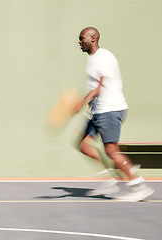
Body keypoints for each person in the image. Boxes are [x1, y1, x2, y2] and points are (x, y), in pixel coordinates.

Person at [75, 27, 154, 202]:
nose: (79, 42)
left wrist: (81, 102)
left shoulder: (104, 57)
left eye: (82, 39)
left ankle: (138, 185)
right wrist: (90, 104)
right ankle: (110, 178)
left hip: (109, 110)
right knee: (83, 144)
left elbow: (100, 86)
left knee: (111, 152)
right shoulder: (93, 58)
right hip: (99, 110)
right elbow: (96, 84)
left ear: (93, 39)